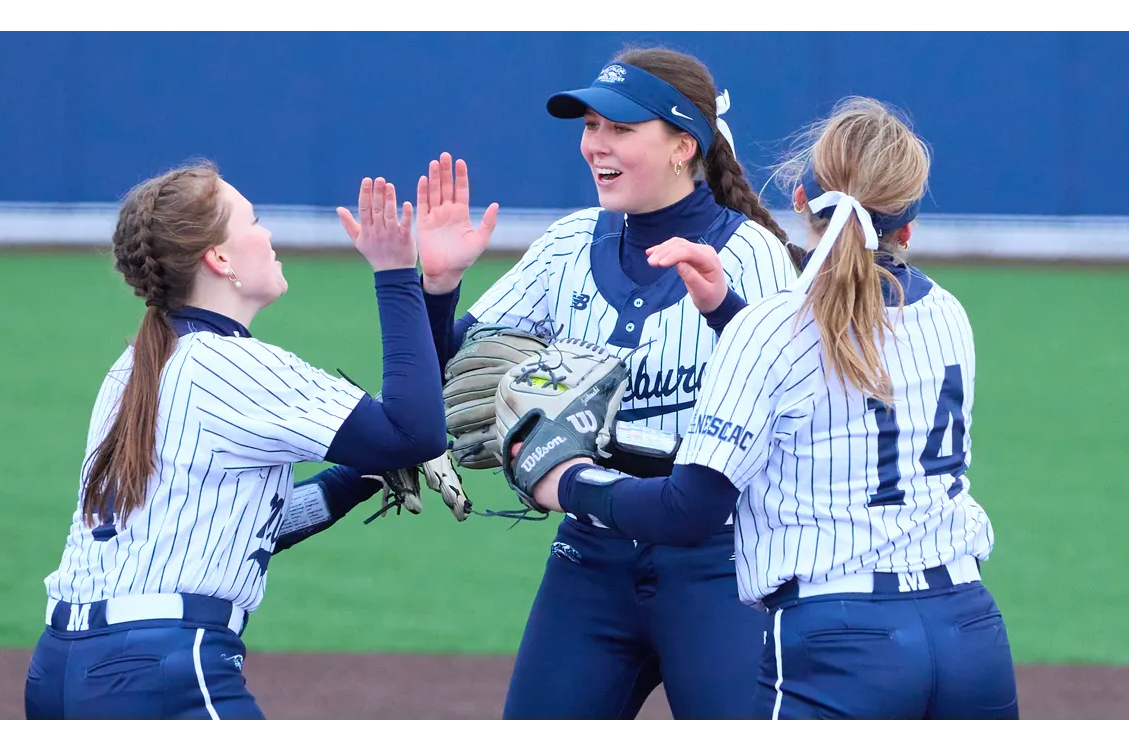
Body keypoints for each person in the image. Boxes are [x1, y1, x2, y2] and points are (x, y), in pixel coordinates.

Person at [314, 46, 800, 719]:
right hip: (590, 561)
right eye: (590, 126)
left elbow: (792, 413)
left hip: (723, 567)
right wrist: (437, 287)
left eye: (621, 129)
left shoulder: (751, 255)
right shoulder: (568, 243)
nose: (596, 144)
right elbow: (438, 380)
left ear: (685, 145)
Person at [507, 96, 1020, 720]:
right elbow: (829, 370)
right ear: (908, 225)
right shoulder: (947, 314)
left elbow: (689, 507)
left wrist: (566, 483)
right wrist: (728, 312)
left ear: (800, 199)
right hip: (969, 631)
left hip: (840, 642)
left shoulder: (777, 329)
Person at [23, 161, 447, 720]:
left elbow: (244, 531)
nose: (267, 234)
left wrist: (362, 474)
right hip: (159, 671)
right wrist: (397, 273)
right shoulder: (234, 367)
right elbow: (412, 432)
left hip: (59, 668)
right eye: (253, 220)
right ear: (219, 259)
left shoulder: (131, 370)